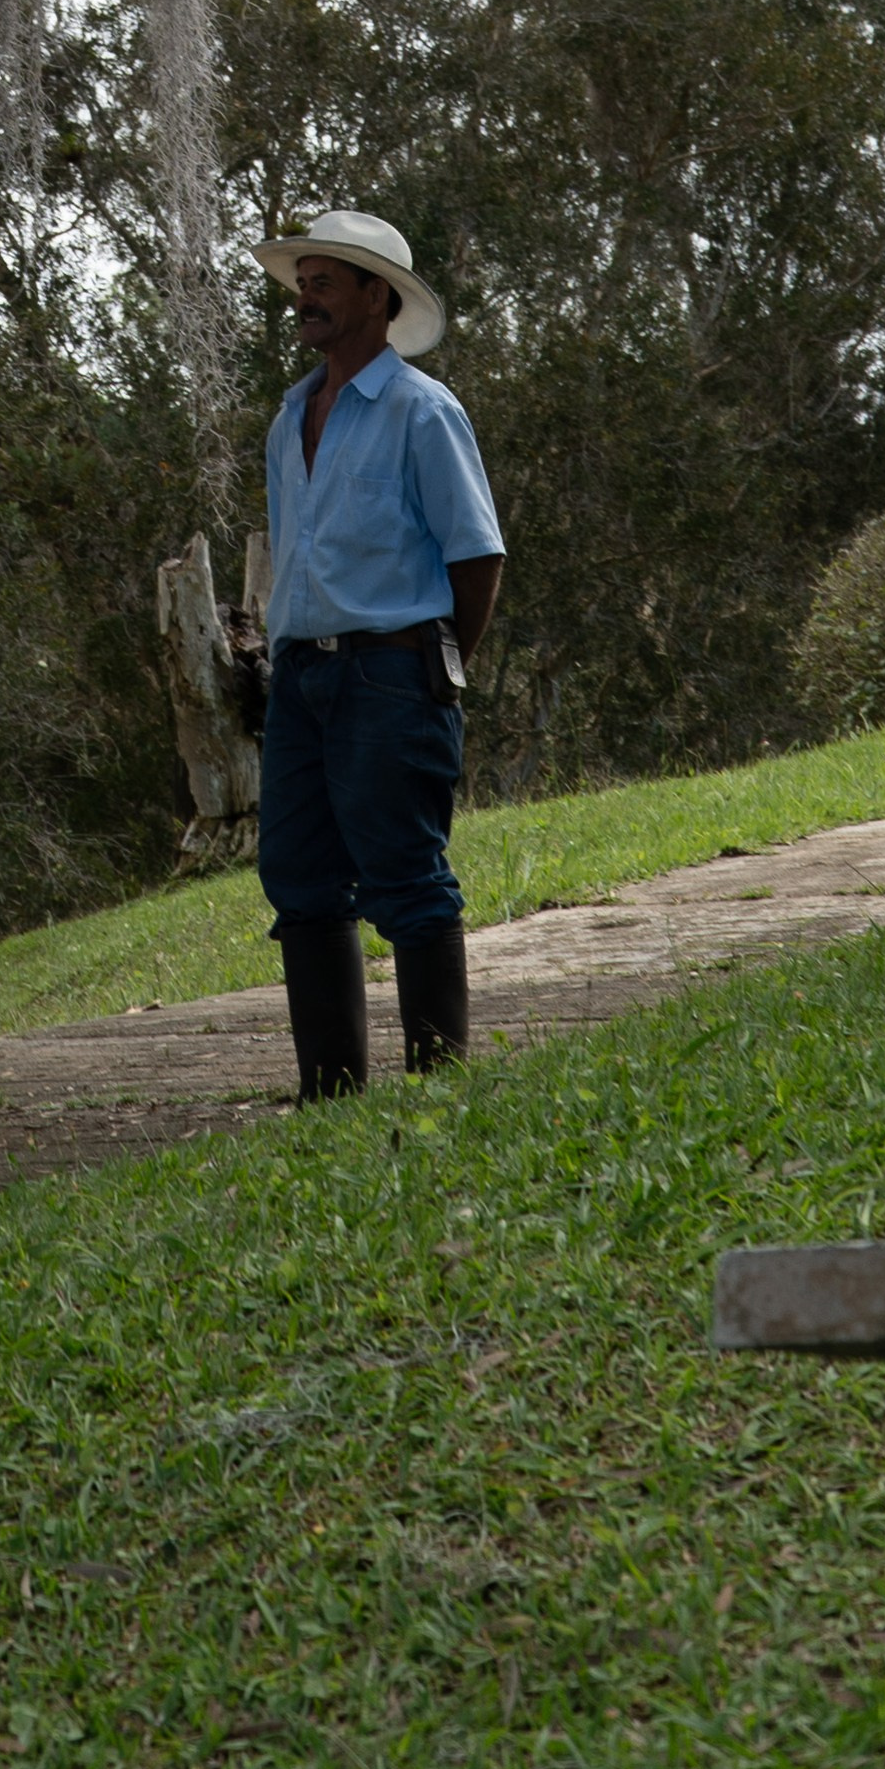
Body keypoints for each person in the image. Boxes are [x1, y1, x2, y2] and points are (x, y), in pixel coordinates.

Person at [251, 207, 505, 1100]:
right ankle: (330, 1099)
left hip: (390, 673)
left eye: (326, 281)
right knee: (299, 880)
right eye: (303, 281)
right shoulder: (291, 419)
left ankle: (440, 1089)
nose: (306, 298)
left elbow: (477, 555)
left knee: (404, 877)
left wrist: (432, 667)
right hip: (302, 679)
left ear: (377, 297)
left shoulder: (421, 412)